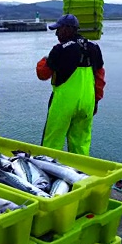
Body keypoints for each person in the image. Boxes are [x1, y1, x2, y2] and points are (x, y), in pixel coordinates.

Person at [35, 14, 105, 156]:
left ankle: (49, 175)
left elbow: (42, 74)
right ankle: (80, 172)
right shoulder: (94, 47)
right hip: (87, 102)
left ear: (67, 29)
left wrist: (45, 59)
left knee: (51, 144)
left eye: (58, 29)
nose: (56, 33)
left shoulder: (60, 49)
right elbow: (100, 77)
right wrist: (96, 101)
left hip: (64, 103)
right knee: (81, 143)